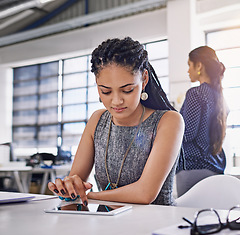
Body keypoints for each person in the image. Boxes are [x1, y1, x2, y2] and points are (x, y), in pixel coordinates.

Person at [48, 37, 184, 206]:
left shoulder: (168, 121)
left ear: (144, 80)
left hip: (155, 225)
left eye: (127, 90)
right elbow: (77, 181)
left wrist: (89, 196)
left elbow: (145, 194)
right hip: (107, 223)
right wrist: (69, 186)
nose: (116, 101)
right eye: (106, 92)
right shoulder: (97, 120)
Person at [176, 46, 228, 197]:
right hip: (215, 168)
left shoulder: (196, 93)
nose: (187, 71)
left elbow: (187, 134)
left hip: (193, 168)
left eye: (189, 65)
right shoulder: (220, 97)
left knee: (186, 218)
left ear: (199, 65)